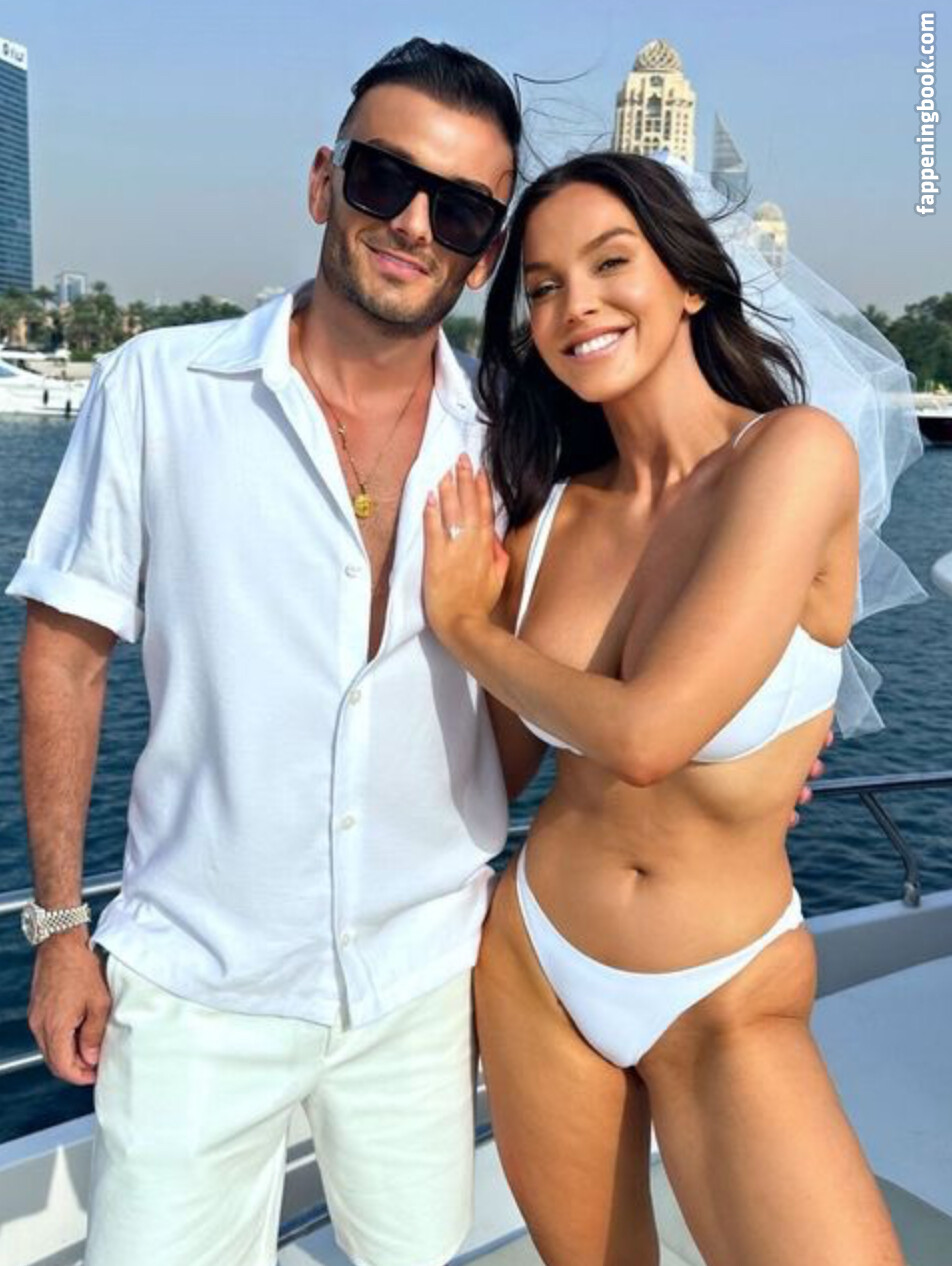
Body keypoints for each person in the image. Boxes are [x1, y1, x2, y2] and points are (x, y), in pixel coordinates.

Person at [7, 38, 520, 1266]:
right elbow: (66, 656)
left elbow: (579, 651)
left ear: (486, 251)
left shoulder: (508, 439)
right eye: (384, 178)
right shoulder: (160, 386)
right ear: (322, 181)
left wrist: (755, 746)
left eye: (458, 209)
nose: (412, 224)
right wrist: (61, 927)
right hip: (197, 976)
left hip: (423, 976)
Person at [421, 151, 918, 1266]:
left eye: (611, 264)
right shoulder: (546, 515)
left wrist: (468, 630)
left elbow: (649, 738)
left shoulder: (792, 456)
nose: (575, 306)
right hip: (536, 962)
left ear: (689, 280)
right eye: (542, 287)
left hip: (724, 988)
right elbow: (489, 777)